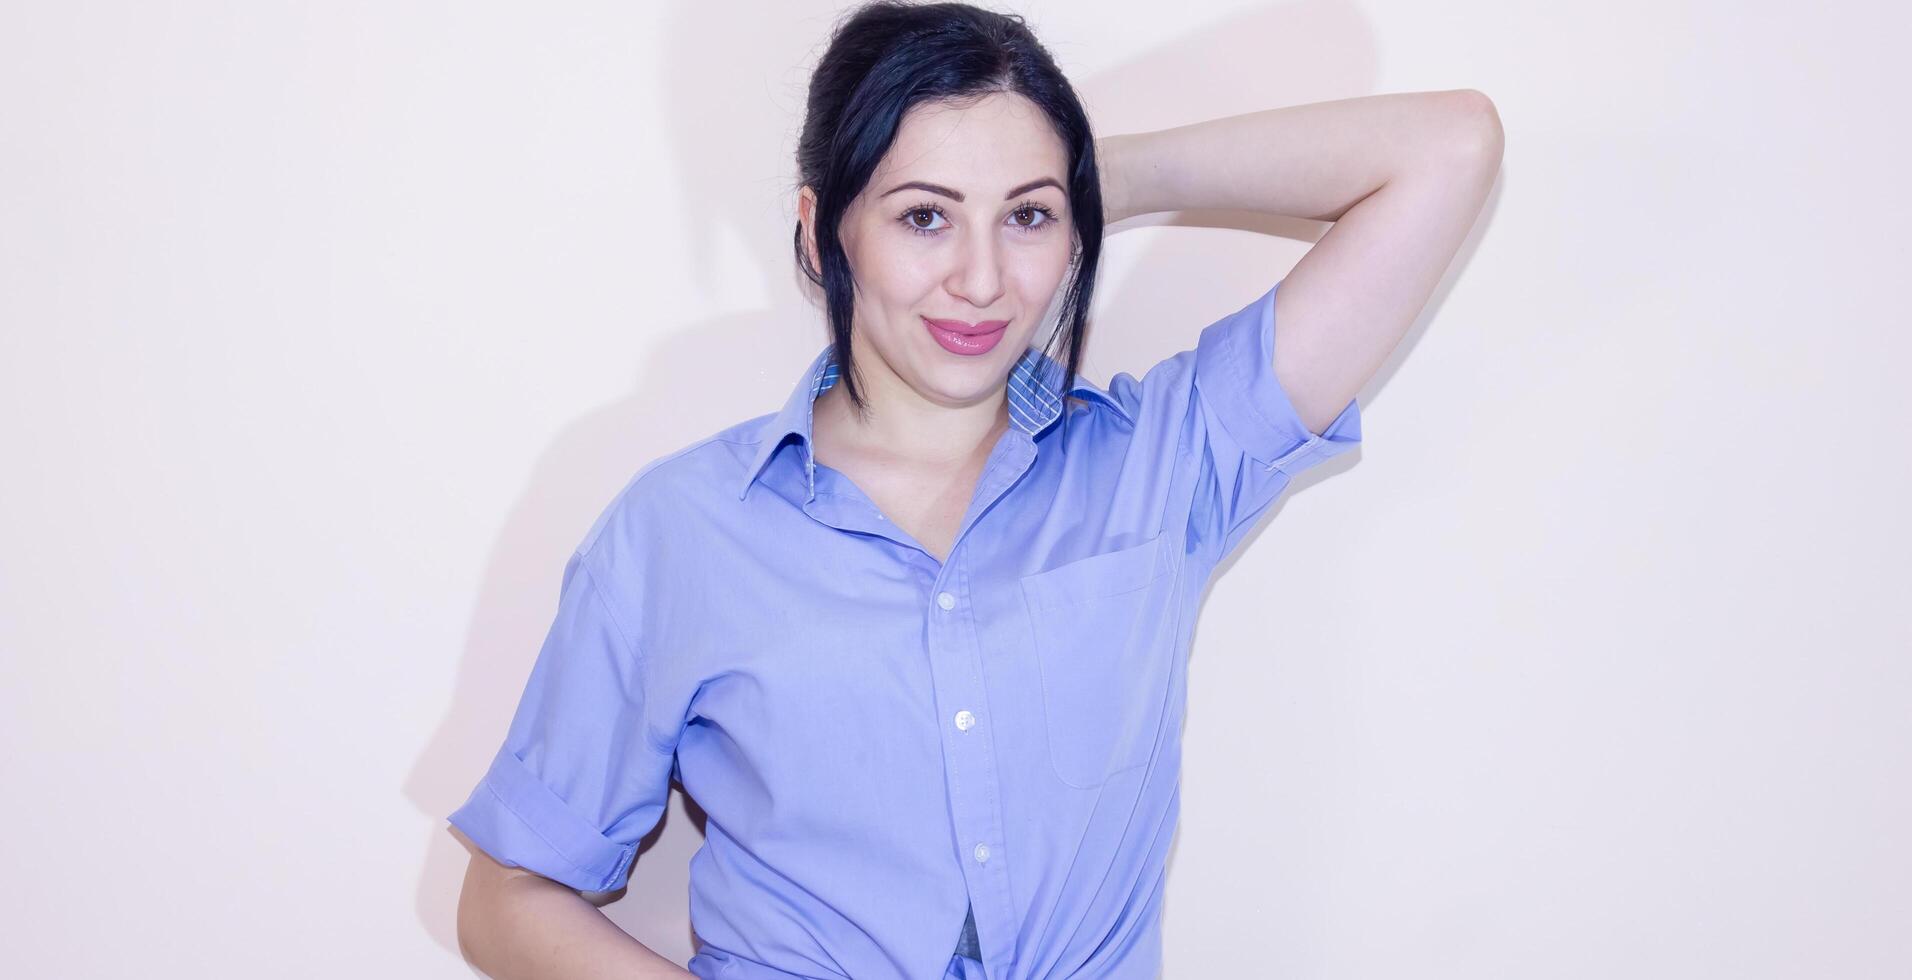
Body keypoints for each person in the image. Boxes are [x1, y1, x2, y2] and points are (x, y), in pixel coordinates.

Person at [446, 2, 1501, 978]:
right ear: (822, 234)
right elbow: (504, 899)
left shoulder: (1158, 465)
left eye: (1025, 219)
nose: (983, 279)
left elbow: (1449, 148)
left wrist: (1091, 179)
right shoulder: (679, 531)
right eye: (924, 217)